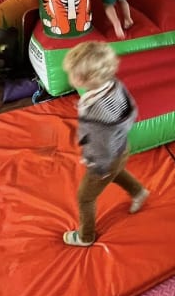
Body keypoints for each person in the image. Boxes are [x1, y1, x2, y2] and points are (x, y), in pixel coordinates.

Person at [61, 42, 149, 247]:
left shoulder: (96, 111)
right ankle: (138, 192)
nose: (69, 75)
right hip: (121, 147)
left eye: (72, 73)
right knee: (116, 172)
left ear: (83, 80)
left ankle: (85, 236)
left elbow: (102, 144)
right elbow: (131, 108)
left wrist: (97, 167)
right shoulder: (114, 83)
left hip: (105, 158)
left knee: (85, 197)